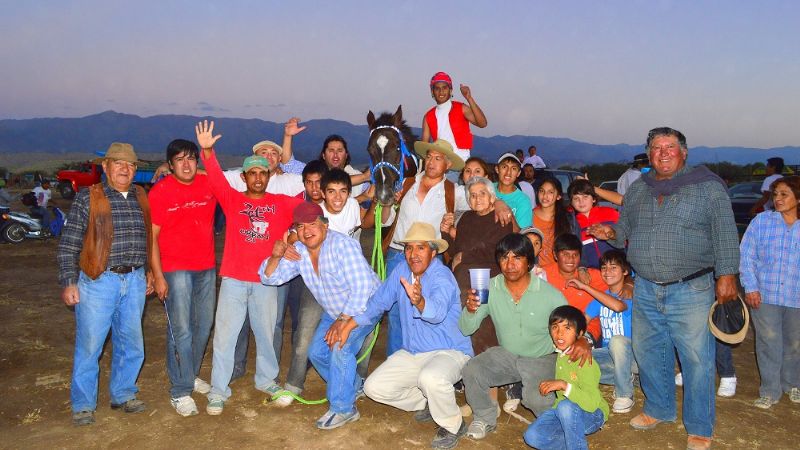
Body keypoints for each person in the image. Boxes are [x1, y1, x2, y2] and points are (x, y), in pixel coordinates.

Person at [587, 127, 739, 450]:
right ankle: (659, 408)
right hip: (644, 286)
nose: (664, 152)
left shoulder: (707, 186)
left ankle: (699, 426)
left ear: (684, 152)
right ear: (649, 155)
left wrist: (727, 275)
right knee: (649, 352)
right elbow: (625, 229)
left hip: (691, 287)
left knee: (696, 358)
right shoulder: (640, 188)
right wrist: (610, 232)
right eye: (657, 148)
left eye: (670, 146)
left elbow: (726, 231)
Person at [194, 120, 303, 416]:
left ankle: (266, 380)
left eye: (262, 173)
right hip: (233, 279)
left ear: (269, 176)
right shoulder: (232, 200)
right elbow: (215, 178)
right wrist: (207, 151)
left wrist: (292, 238)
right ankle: (218, 390)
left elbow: (312, 210)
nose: (257, 177)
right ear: (244, 177)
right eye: (252, 173)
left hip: (265, 281)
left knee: (267, 334)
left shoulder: (282, 203)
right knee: (225, 336)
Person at [336, 222, 474, 449]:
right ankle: (429, 402)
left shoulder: (443, 276)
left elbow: (437, 313)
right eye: (409, 248)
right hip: (415, 352)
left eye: (420, 248)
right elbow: (379, 302)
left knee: (431, 378)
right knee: (374, 388)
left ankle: (453, 425)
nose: (413, 254)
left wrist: (419, 302)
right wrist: (349, 325)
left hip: (450, 351)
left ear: (433, 252)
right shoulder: (402, 270)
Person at [459, 233, 593, 441]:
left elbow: (572, 324)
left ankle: (560, 426)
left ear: (529, 261)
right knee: (472, 370)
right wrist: (470, 310)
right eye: (504, 257)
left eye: (517, 257)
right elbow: (466, 328)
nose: (510, 264)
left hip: (542, 357)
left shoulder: (549, 294)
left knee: (537, 400)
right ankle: (484, 417)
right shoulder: (489, 288)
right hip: (507, 355)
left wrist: (584, 340)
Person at [57, 142, 154, 426]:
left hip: (134, 280)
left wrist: (148, 272)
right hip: (98, 281)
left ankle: (123, 394)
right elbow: (69, 244)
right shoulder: (89, 197)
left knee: (131, 343)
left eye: (131, 164)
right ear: (106, 166)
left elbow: (147, 238)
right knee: (90, 346)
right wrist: (69, 281)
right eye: (119, 163)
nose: (126, 169)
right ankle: (83, 405)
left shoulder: (141, 195)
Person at [260, 201, 380, 429]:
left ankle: (344, 409)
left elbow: (363, 288)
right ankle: (353, 386)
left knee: (340, 346)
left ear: (325, 225)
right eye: (301, 226)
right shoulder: (300, 251)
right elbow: (270, 278)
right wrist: (275, 256)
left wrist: (343, 321)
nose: (307, 231)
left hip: (366, 305)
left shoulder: (343, 245)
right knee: (315, 352)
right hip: (335, 309)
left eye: (313, 224)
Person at [148, 139, 217, 417]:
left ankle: (189, 374)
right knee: (181, 329)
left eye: (190, 159)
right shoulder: (160, 191)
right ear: (170, 164)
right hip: (175, 268)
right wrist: (157, 274)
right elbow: (152, 237)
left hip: (206, 266)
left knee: (204, 325)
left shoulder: (208, 183)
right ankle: (180, 390)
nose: (186, 165)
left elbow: (225, 177)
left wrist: (202, 168)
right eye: (179, 160)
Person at [382, 139, 469, 356]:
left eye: (438, 158)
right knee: (395, 314)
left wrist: (500, 203)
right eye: (429, 156)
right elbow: (387, 219)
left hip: (430, 260)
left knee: (424, 311)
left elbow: (481, 199)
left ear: (448, 165)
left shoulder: (453, 192)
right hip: (398, 253)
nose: (431, 162)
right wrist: (388, 203)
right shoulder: (406, 184)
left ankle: (420, 359)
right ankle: (396, 362)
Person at [740, 175, 800, 409]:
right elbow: (746, 256)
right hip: (765, 294)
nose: (777, 199)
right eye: (775, 194)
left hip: (796, 295)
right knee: (768, 342)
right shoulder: (762, 222)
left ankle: (792, 384)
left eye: (784, 194)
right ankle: (770, 390)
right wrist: (751, 287)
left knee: (795, 344)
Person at [441, 176, 513, 354]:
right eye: (472, 195)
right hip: (462, 277)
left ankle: (487, 358)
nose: (477, 198)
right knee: (458, 317)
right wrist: (446, 233)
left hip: (486, 276)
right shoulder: (466, 217)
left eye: (482, 194)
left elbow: (497, 250)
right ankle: (464, 356)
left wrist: (464, 256)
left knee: (481, 318)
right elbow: (457, 250)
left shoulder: (500, 216)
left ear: (492, 197)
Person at [523, 305, 608, 449]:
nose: (559, 333)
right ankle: (572, 443)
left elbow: (592, 403)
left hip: (593, 414)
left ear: (580, 334)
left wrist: (564, 385)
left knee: (565, 407)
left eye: (567, 328)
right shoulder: (561, 353)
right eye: (555, 327)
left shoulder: (584, 361)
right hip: (565, 411)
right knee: (532, 436)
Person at [583, 249, 637, 414]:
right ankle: (626, 377)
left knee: (617, 341)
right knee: (577, 360)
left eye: (613, 267)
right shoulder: (600, 298)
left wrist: (585, 287)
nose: (607, 272)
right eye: (604, 268)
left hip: (635, 354)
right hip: (609, 355)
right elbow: (582, 322)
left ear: (625, 271)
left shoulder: (631, 293)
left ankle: (624, 394)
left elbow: (618, 306)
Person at [542, 233, 604, 345]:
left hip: (586, 333)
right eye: (565, 254)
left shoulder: (592, 277)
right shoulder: (542, 274)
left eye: (575, 255)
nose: (571, 259)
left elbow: (619, 281)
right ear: (555, 255)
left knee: (577, 350)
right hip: (552, 333)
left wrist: (628, 283)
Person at [421, 71, 487, 162]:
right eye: (437, 88)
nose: (441, 91)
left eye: (444, 88)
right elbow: (424, 147)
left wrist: (469, 98)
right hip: (440, 164)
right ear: (432, 92)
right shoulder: (428, 116)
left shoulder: (462, 108)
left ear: (450, 90)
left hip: (462, 162)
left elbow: (483, 124)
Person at [568, 178, 619, 269]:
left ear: (594, 199)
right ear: (571, 202)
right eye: (576, 198)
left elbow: (626, 238)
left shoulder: (611, 213)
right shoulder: (571, 223)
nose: (581, 202)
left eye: (585, 197)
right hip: (590, 272)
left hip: (615, 271)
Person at [533, 177, 577, 267]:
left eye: (550, 192)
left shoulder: (568, 218)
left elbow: (577, 246)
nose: (545, 196)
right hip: (537, 271)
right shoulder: (529, 216)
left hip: (562, 270)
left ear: (558, 196)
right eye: (542, 191)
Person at [494, 153, 532, 228]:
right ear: (497, 169)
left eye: (514, 168)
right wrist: (496, 201)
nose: (508, 172)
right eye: (504, 167)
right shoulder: (487, 188)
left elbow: (521, 233)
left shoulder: (523, 200)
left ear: (518, 173)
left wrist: (509, 213)